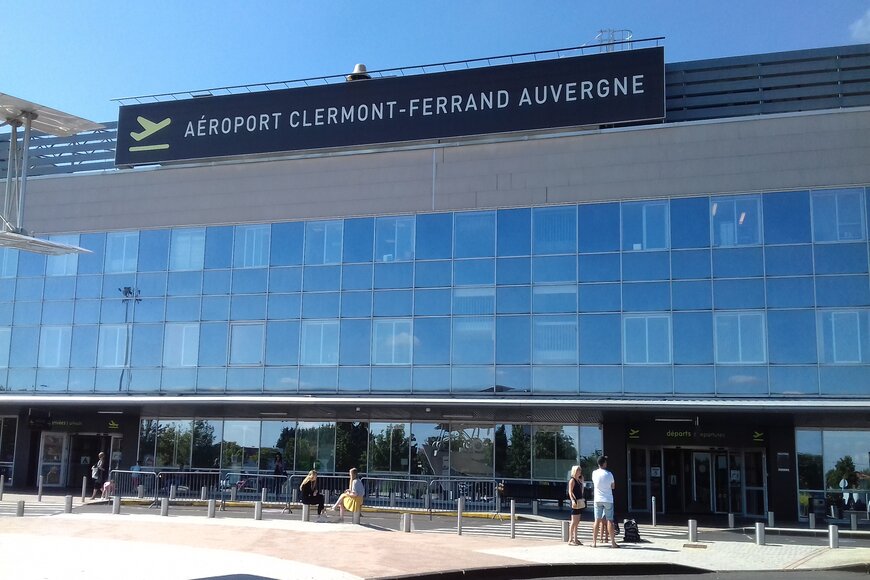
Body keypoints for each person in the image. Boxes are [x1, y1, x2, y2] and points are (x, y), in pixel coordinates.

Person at [592, 455, 618, 548]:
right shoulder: (609, 474)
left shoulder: (594, 473)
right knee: (609, 520)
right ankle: (613, 542)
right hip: (608, 499)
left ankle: (594, 542)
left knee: (597, 520)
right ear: (603, 463)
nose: (606, 463)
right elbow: (613, 486)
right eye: (605, 461)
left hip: (598, 499)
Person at [567, 464, 585, 546]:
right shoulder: (572, 480)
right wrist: (572, 500)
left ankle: (575, 538)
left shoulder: (578, 481)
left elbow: (581, 491)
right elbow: (570, 491)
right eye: (578, 470)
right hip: (575, 501)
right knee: (573, 521)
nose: (580, 472)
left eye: (580, 470)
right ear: (575, 471)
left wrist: (582, 483)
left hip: (579, 501)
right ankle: (570, 539)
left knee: (577, 522)